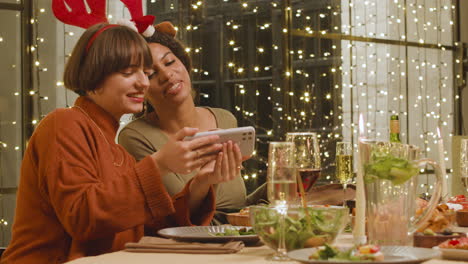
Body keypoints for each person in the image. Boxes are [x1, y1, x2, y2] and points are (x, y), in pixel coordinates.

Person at [1, 23, 242, 263]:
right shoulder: (63, 124)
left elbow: (154, 231)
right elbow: (82, 217)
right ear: (93, 74)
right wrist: (159, 165)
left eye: (145, 73)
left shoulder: (118, 152)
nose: (144, 83)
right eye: (128, 72)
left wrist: (202, 182)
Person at [118, 22, 252, 224]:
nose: (167, 75)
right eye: (151, 74)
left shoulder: (224, 118)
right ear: (141, 88)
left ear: (184, 63)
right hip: (186, 247)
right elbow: (172, 217)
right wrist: (205, 181)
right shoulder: (135, 136)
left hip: (238, 241)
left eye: (170, 62)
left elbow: (237, 208)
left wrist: (283, 185)